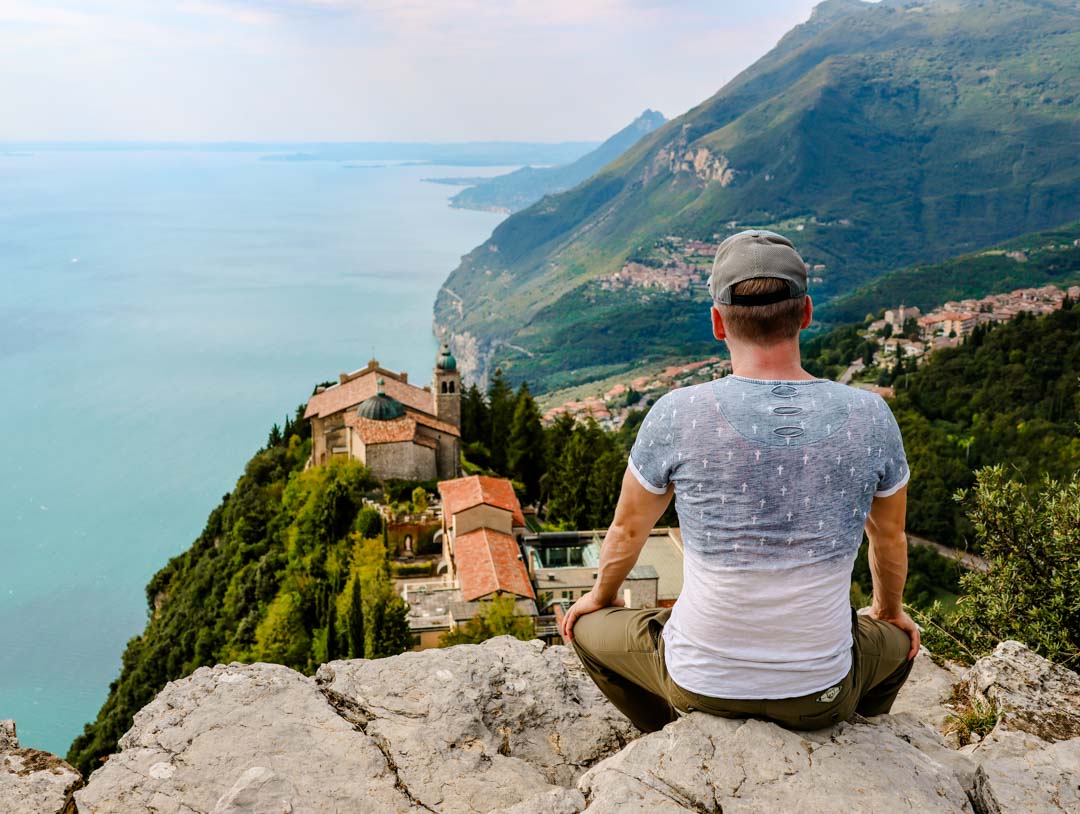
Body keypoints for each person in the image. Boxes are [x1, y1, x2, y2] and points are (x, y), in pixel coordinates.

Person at [559, 229, 918, 733]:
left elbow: (627, 531)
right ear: (806, 313)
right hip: (821, 693)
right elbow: (889, 537)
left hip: (699, 684)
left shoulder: (676, 413)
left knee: (584, 629)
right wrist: (887, 611)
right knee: (901, 642)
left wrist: (601, 597)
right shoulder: (871, 415)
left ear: (717, 323)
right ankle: (858, 729)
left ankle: (668, 732)